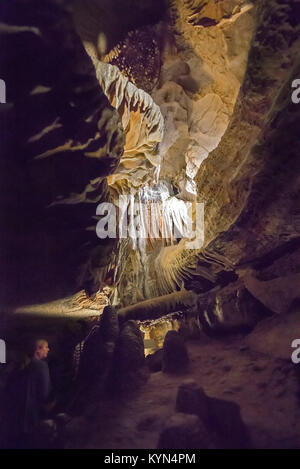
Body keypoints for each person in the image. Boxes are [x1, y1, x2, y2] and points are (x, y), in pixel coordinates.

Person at [0, 339, 55, 448]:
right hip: (30, 419)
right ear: (37, 350)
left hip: (12, 419)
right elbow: (44, 394)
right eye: (46, 347)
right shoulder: (41, 366)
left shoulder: (15, 366)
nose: (48, 349)